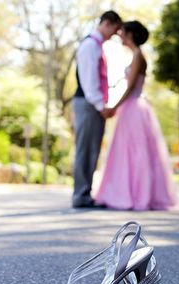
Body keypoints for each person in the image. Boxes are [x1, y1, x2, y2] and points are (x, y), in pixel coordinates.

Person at [95, 21, 179, 211]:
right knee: (128, 152)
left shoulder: (138, 55)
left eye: (122, 33)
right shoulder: (135, 56)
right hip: (133, 107)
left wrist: (113, 107)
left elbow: (131, 86)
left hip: (134, 107)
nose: (120, 36)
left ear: (130, 34)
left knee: (137, 152)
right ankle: (129, 192)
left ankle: (139, 195)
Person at [72, 10, 122, 208]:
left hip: (91, 104)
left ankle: (84, 193)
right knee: (85, 150)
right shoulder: (90, 46)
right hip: (88, 104)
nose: (115, 35)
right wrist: (101, 107)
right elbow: (89, 82)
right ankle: (81, 195)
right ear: (107, 23)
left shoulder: (97, 46)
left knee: (91, 150)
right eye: (115, 29)